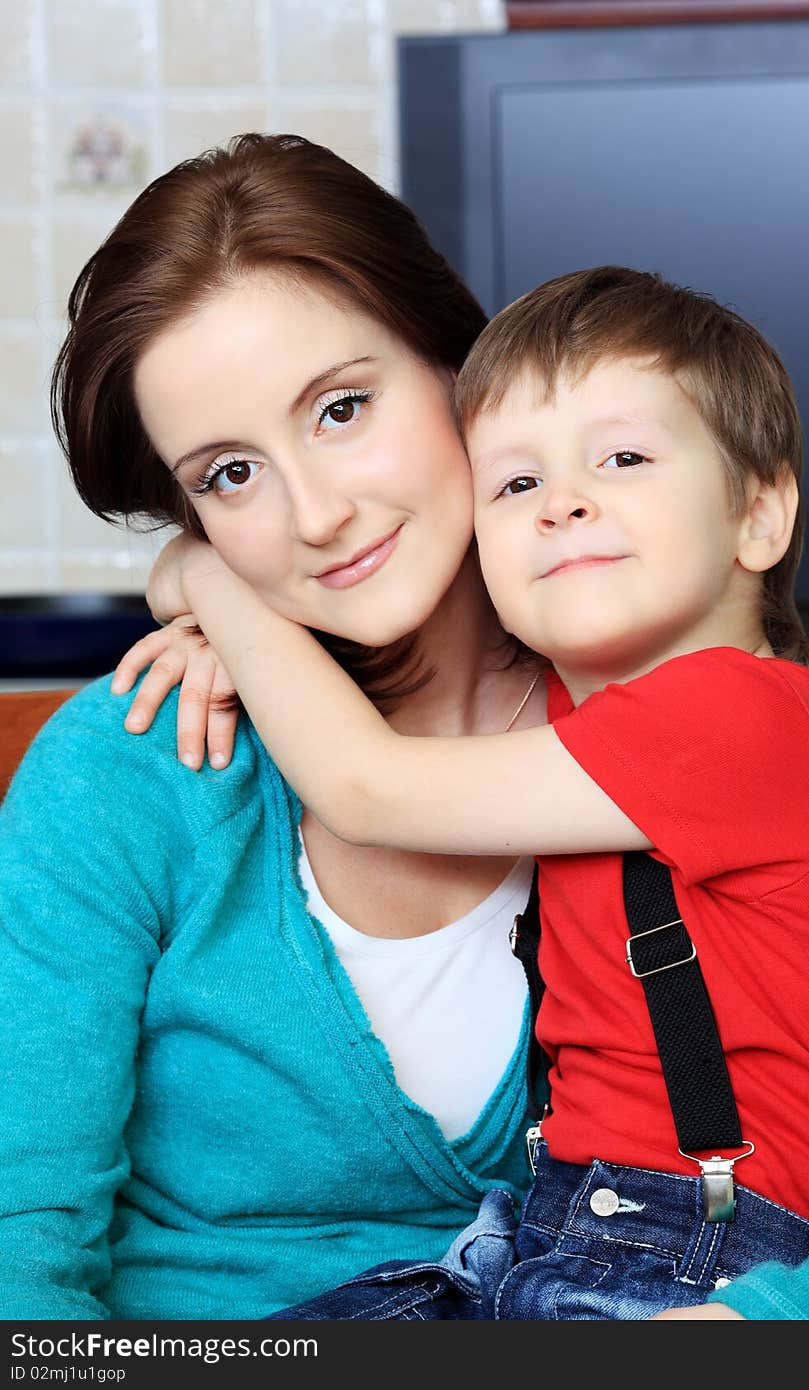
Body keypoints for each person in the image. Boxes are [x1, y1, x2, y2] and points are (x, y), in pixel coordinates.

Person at [131, 265, 809, 1320]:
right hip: (550, 1240)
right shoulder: (585, 733)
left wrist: (208, 577)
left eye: (622, 458)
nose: (564, 499)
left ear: (758, 516)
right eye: (515, 484)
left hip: (703, 1260)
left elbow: (364, 785)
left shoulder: (743, 720)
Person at [0, 132, 545, 1320]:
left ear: (458, 355)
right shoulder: (130, 767)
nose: (317, 512)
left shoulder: (672, 736)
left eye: (341, 407)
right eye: (228, 476)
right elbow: (17, 1249)